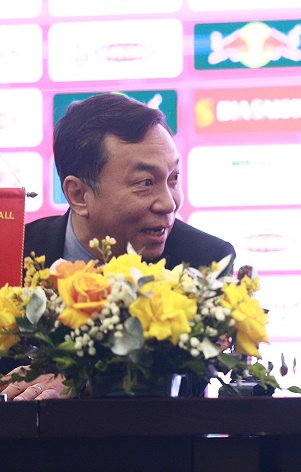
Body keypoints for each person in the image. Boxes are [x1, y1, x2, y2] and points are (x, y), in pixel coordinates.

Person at [1, 93, 236, 400]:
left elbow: (189, 381)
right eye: (145, 182)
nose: (169, 203)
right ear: (78, 195)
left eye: (173, 178)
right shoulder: (13, 254)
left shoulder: (205, 260)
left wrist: (81, 379)